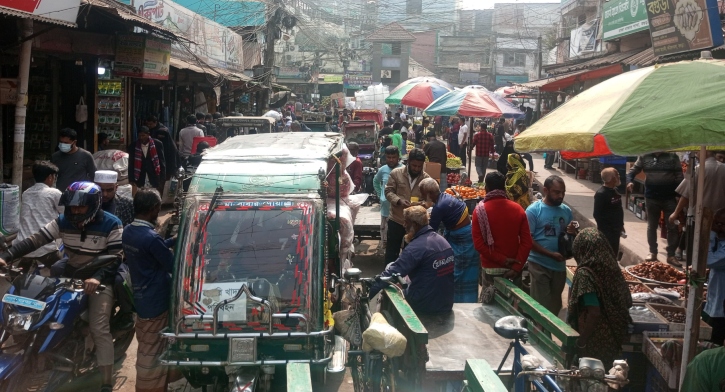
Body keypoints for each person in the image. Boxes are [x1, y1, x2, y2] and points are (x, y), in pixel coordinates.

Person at [0, 182, 123, 392]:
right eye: (72, 207)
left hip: (98, 280)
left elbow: (116, 257)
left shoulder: (112, 224)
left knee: (98, 327)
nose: (75, 211)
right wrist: (6, 256)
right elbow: (35, 240)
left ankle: (105, 381)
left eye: (80, 207)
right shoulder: (63, 221)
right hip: (69, 274)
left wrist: (97, 278)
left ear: (93, 205)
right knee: (39, 311)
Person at [123, 189, 176, 392]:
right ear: (155, 209)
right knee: (153, 350)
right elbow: (170, 263)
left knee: (147, 345)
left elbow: (154, 248)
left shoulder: (129, 231)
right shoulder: (151, 238)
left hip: (141, 296)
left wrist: (171, 240)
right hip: (156, 299)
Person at [368, 206, 454, 314]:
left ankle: (390, 319)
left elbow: (391, 273)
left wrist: (369, 293)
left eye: (406, 222)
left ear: (415, 225)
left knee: (390, 271)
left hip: (423, 305)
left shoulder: (415, 248)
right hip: (446, 302)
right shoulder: (442, 241)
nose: (404, 225)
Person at [567, 228, 632, 367]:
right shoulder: (612, 269)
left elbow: (594, 312)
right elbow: (626, 300)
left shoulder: (585, 275)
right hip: (615, 337)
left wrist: (582, 341)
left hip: (594, 341)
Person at [472, 172, 532, 299]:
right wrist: (516, 267)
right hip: (513, 270)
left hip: (490, 269)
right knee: (512, 309)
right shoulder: (518, 209)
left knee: (489, 307)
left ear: (486, 189)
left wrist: (501, 259)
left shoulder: (479, 211)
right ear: (504, 188)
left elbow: (479, 245)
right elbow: (527, 243)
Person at [420, 178, 479, 302]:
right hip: (467, 234)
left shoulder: (439, 207)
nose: (421, 196)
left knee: (458, 273)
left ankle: (460, 302)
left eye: (423, 194)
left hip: (462, 240)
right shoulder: (446, 197)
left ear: (429, 194)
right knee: (466, 271)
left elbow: (431, 231)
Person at [526, 175, 578, 316]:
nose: (560, 195)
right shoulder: (533, 211)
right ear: (545, 190)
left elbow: (568, 237)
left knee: (555, 307)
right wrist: (550, 254)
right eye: (556, 192)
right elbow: (528, 241)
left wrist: (573, 233)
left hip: (559, 267)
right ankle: (540, 336)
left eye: (563, 192)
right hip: (539, 264)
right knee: (541, 307)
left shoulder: (566, 211)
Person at [626, 152, 683, 265]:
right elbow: (632, 171)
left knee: (672, 227)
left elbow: (679, 177)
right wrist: (629, 182)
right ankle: (653, 252)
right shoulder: (644, 156)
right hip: (651, 197)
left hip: (670, 198)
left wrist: (678, 195)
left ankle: (671, 255)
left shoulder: (673, 157)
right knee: (651, 226)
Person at [384, 148, 431, 264]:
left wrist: (422, 204)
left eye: (419, 166)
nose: (416, 169)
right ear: (408, 162)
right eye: (414, 165)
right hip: (396, 219)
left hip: (414, 224)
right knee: (391, 252)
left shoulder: (426, 179)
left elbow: (430, 200)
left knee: (410, 254)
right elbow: (388, 192)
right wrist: (399, 200)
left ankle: (407, 280)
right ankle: (388, 278)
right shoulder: (396, 173)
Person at [15, 161, 63, 269]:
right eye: (54, 177)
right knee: (63, 270)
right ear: (50, 177)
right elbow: (66, 214)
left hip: (23, 245)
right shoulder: (54, 193)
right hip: (44, 246)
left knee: (21, 273)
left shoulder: (26, 193)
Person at [373, 146, 402, 254]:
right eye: (388, 157)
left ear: (398, 157)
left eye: (393, 157)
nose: (391, 159)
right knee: (385, 238)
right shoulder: (382, 170)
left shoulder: (403, 169)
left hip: (398, 212)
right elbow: (375, 181)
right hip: (385, 211)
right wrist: (381, 193)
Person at [704, 208, 725, 346]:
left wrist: (711, 234)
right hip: (712, 304)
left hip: (721, 310)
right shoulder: (720, 242)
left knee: (713, 343)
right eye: (716, 223)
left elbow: (708, 260)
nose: (717, 228)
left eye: (720, 224)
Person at [594, 168, 625, 257]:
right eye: (617, 175)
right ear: (611, 179)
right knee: (606, 255)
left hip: (616, 231)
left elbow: (619, 210)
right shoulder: (601, 194)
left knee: (614, 253)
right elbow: (597, 214)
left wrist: (621, 225)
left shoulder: (615, 191)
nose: (619, 177)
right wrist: (606, 231)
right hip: (607, 233)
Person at [128, 126, 166, 195]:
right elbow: (131, 163)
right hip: (140, 177)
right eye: (140, 136)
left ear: (148, 134)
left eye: (143, 135)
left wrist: (162, 180)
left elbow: (161, 162)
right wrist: (131, 179)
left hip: (153, 176)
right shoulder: (133, 145)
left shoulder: (157, 144)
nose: (141, 138)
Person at [146, 115, 180, 183]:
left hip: (168, 155)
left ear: (155, 122)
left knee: (165, 176)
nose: (149, 126)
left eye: (150, 124)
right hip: (164, 155)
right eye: (148, 124)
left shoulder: (162, 131)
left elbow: (161, 147)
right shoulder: (154, 129)